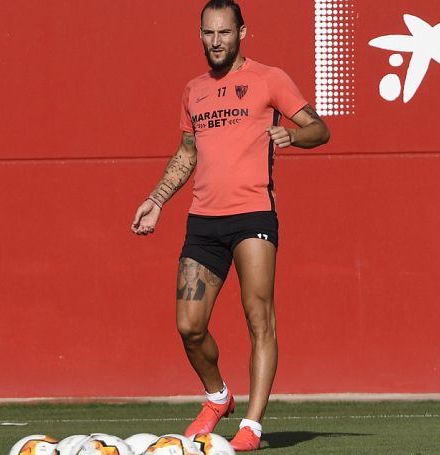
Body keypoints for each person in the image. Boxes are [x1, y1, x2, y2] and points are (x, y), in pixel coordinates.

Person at [130, 0, 330, 450]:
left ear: (242, 31)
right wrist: (156, 199)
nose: (216, 41)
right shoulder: (193, 90)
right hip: (203, 221)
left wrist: (293, 136)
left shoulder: (268, 79)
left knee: (259, 318)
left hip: (253, 215)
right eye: (208, 33)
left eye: (224, 32)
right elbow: (187, 152)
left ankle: (253, 427)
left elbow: (320, 128)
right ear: (200, 35)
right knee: (189, 326)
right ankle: (218, 396)